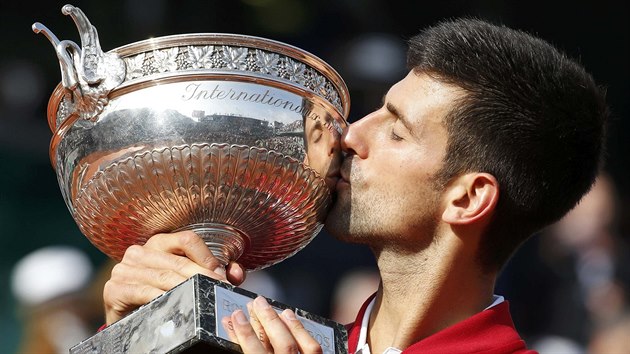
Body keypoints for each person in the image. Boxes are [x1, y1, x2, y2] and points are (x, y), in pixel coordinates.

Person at [102, 18, 608, 353]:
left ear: (467, 197)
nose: (350, 133)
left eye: (395, 129)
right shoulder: (292, 342)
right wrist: (131, 336)